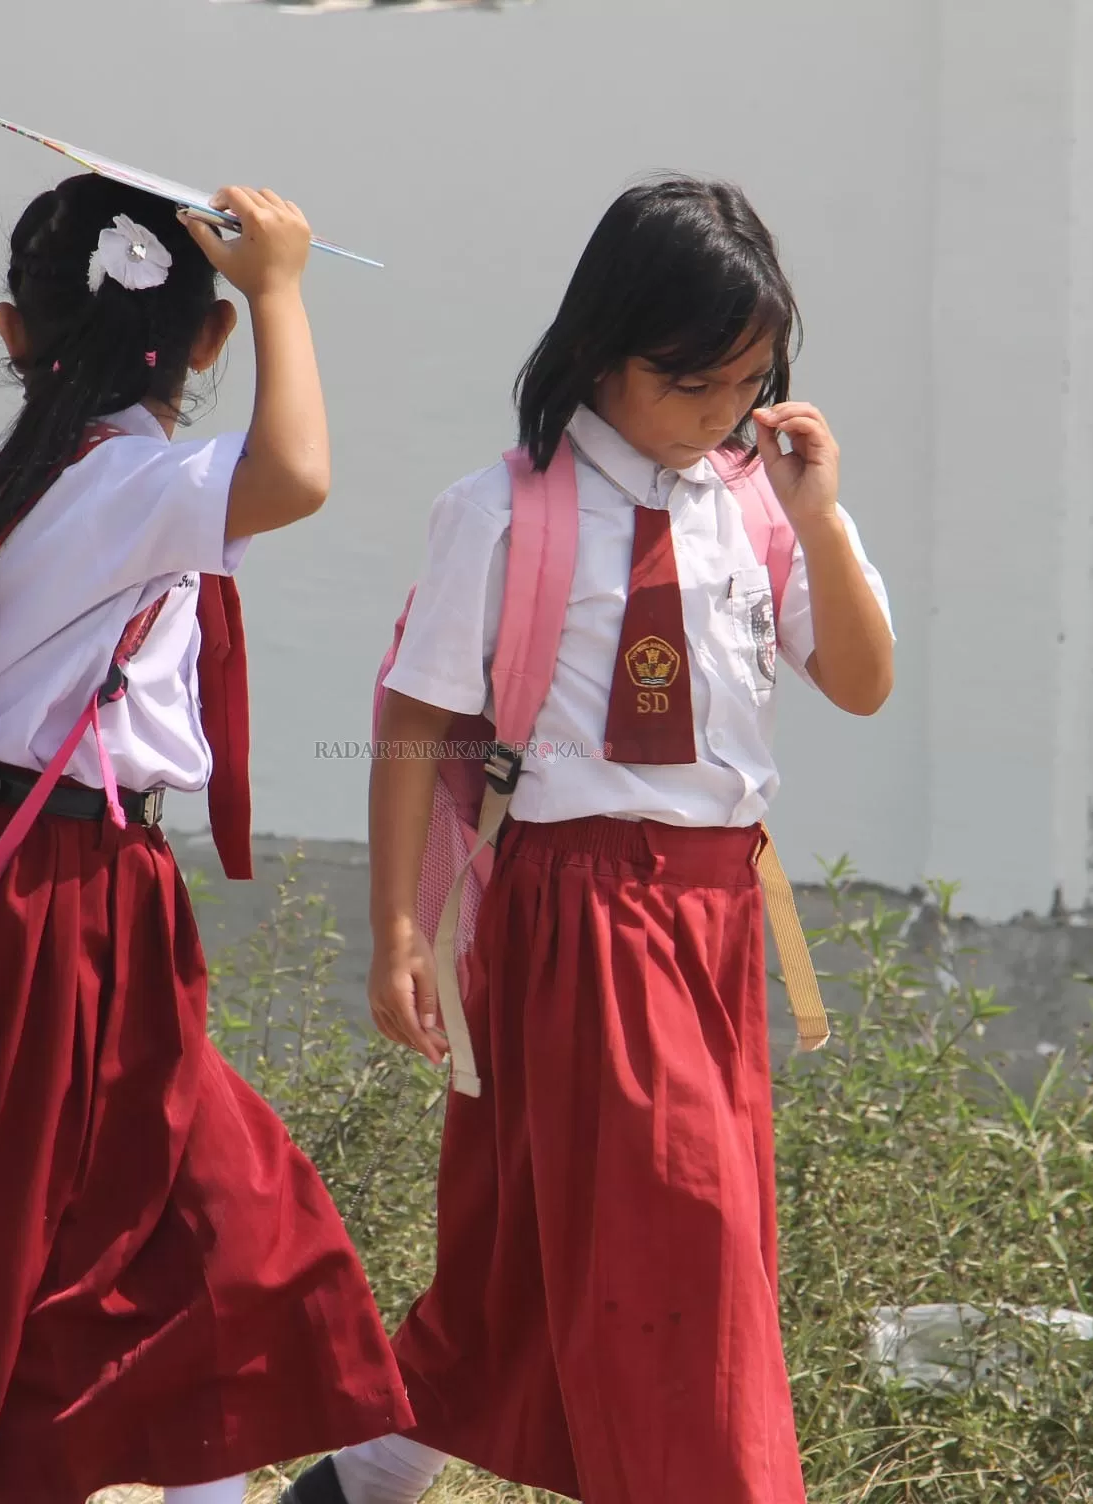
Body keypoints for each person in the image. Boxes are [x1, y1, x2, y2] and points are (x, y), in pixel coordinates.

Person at [289, 177, 895, 1504]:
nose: (728, 413)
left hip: (720, 922)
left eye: (751, 381)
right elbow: (418, 718)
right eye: (697, 385)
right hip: (579, 919)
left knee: (539, 1261)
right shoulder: (501, 511)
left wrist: (821, 514)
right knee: (687, 1262)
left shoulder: (751, 505)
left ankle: (357, 1482)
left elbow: (860, 678)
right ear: (609, 356)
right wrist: (398, 931)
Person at [0, 171, 412, 1504]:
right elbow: (299, 473)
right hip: (61, 889)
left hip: (23, 870)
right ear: (211, 341)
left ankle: (322, 1467)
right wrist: (280, 287)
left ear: (13, 332)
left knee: (180, 1206)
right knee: (83, 1227)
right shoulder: (131, 485)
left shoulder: (26, 476)